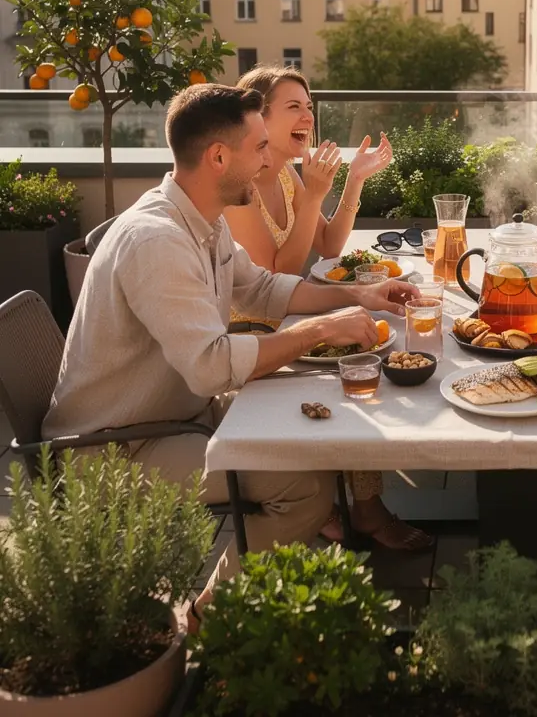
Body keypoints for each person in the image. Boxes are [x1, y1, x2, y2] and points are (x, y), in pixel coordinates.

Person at [42, 83, 421, 622]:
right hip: (114, 450)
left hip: (173, 416)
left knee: (317, 430)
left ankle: (273, 583)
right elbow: (212, 367)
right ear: (219, 157)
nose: (272, 161)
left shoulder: (202, 217)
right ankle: (209, 617)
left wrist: (359, 295)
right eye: (260, 148)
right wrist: (319, 331)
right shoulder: (157, 241)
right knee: (306, 490)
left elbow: (264, 288)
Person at [225, 65, 432, 552]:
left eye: (310, 106)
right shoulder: (241, 189)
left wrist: (353, 182)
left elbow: (329, 245)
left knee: (373, 341)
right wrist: (316, 191)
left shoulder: (291, 177)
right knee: (357, 363)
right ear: (258, 117)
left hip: (293, 313)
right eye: (294, 107)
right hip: (254, 334)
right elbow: (275, 276)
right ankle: (362, 509)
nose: (308, 116)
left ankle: (356, 504)